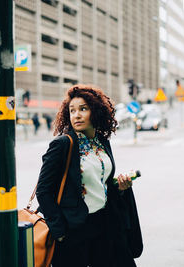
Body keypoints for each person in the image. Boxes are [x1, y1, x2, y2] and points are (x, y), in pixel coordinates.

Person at [36, 84, 142, 267]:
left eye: (83, 109)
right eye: (72, 110)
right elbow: (43, 191)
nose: (76, 115)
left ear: (96, 112)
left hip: (105, 224)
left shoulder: (102, 142)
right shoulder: (62, 145)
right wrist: (60, 232)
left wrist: (121, 187)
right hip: (74, 231)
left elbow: (102, 183)